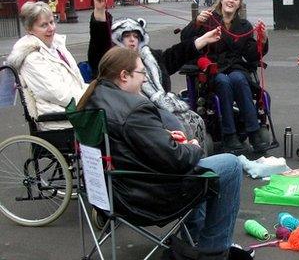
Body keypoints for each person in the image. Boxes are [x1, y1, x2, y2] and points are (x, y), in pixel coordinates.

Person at [76, 47, 243, 260]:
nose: (144, 80)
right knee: (230, 165)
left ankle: (195, 236)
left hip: (109, 192)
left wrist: (163, 136)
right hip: (144, 195)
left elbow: (129, 144)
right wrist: (192, 146)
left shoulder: (93, 98)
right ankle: (214, 250)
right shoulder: (134, 109)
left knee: (202, 170)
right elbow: (177, 160)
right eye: (142, 73)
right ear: (124, 76)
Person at [88, 0, 221, 152]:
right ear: (117, 39)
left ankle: (195, 160)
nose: (132, 40)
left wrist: (204, 39)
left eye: (135, 36)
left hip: (164, 107)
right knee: (174, 123)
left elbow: (176, 55)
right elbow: (98, 45)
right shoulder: (111, 62)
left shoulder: (150, 57)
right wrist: (99, 13)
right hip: (137, 116)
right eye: (126, 35)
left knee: (195, 119)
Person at [180, 0, 272, 154]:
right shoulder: (208, 20)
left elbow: (252, 55)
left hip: (236, 68)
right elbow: (185, 39)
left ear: (239, 5)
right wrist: (197, 22)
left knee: (237, 78)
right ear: (221, 0)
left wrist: (263, 39)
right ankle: (229, 134)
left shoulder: (244, 26)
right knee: (223, 80)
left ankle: (253, 131)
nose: (231, 1)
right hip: (214, 70)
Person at [6, 1, 87, 130]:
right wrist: (91, 99)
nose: (51, 28)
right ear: (29, 29)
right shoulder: (32, 59)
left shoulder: (57, 46)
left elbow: (77, 81)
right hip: (60, 121)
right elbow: (58, 94)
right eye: (44, 25)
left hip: (76, 111)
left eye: (52, 22)